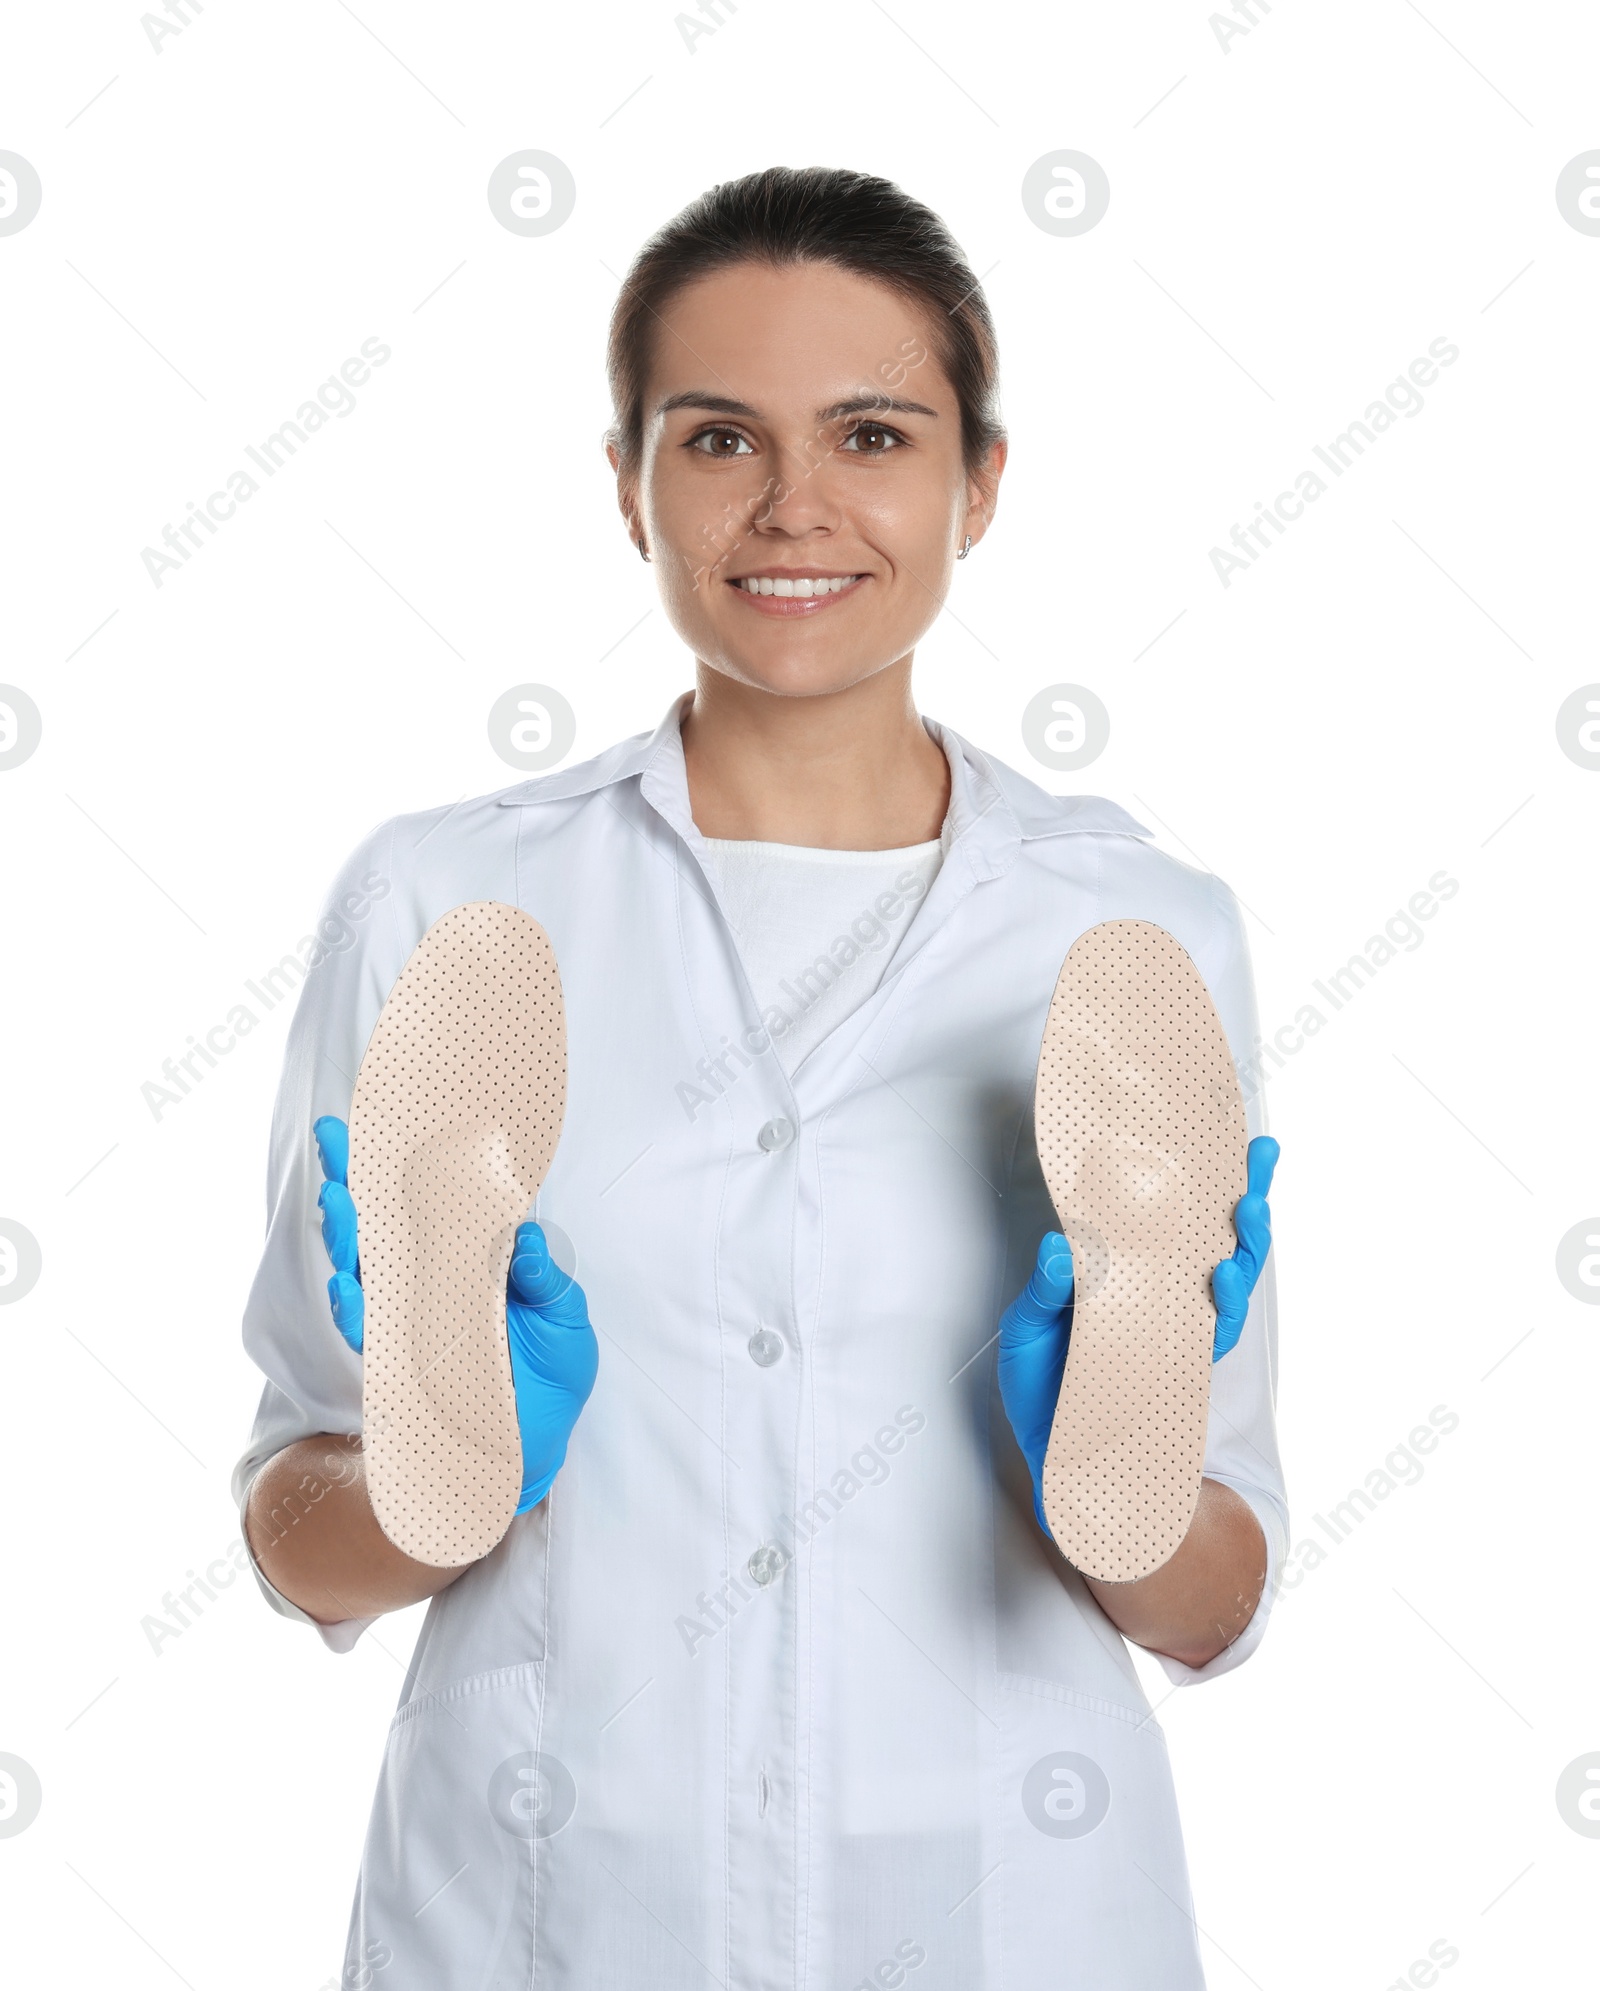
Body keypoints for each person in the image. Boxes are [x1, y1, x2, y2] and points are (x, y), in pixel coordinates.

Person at [235, 164, 1285, 1990]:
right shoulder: (449, 903)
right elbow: (294, 1543)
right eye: (718, 439)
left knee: (1137, 1458)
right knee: (420, 1455)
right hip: (554, 1911)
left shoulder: (1133, 935)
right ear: (627, 482)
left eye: (871, 433)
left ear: (982, 481)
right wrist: (429, 1487)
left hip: (1007, 1911)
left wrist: (1093, 1476)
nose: (795, 505)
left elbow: (1212, 1598)